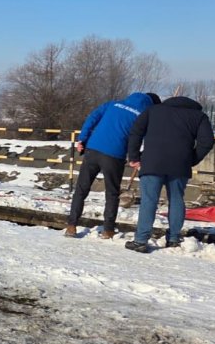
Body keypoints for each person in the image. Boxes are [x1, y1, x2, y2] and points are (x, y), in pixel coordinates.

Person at [124, 95, 215, 252]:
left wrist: (134, 156)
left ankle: (140, 240)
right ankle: (173, 239)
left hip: (152, 162)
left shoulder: (152, 110)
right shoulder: (199, 116)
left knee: (149, 200)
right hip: (180, 164)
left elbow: (136, 132)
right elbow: (207, 141)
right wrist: (191, 159)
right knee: (176, 199)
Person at [64, 92, 159, 239]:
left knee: (81, 189)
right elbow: (145, 138)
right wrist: (136, 157)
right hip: (115, 155)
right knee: (112, 193)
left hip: (93, 149)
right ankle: (108, 230)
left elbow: (93, 117)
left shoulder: (113, 104)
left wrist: (82, 138)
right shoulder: (143, 115)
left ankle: (71, 226)